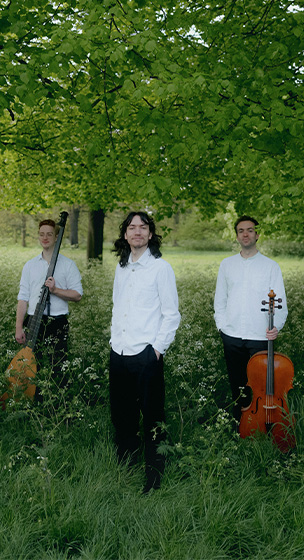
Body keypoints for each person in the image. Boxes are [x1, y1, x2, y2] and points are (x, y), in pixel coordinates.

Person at [109, 211, 181, 494]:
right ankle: (126, 466)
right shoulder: (122, 266)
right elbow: (118, 306)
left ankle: (154, 475)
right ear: (125, 234)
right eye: (131, 227)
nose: (137, 231)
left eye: (142, 227)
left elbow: (171, 314)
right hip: (119, 350)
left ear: (151, 234)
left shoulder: (161, 268)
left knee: (153, 417)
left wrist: (158, 350)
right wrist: (114, 340)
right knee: (122, 415)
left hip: (146, 354)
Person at [213, 216, 288, 422]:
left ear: (257, 234)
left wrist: (276, 327)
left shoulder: (271, 266)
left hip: (260, 335)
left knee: (262, 386)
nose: (245, 234)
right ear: (236, 235)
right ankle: (240, 426)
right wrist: (222, 327)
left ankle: (264, 425)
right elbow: (220, 300)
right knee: (237, 385)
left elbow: (279, 301)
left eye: (250, 230)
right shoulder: (227, 265)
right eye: (241, 231)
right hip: (232, 335)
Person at [15, 218, 83, 389]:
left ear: (56, 237)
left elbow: (77, 295)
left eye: (49, 234)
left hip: (58, 321)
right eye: (42, 234)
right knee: (32, 365)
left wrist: (55, 290)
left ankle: (59, 405)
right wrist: (18, 327)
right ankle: (34, 403)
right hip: (33, 319)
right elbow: (23, 297)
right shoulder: (30, 265)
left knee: (58, 365)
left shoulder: (68, 265)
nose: (45, 238)